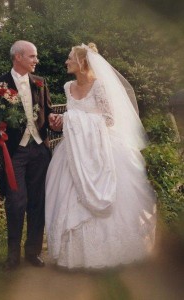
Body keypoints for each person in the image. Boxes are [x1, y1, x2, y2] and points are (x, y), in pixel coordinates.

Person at [45, 43, 156, 269]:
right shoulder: (68, 86)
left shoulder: (99, 86)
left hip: (102, 149)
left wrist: (72, 119)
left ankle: (111, 254)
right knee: (68, 195)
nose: (66, 62)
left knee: (116, 195)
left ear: (82, 62)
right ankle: (74, 256)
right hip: (74, 151)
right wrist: (61, 121)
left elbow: (108, 119)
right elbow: (72, 116)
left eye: (70, 58)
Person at [0, 40, 61, 270]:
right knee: (16, 203)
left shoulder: (40, 82)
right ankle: (12, 256)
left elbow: (48, 112)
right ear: (18, 57)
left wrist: (54, 121)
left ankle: (33, 252)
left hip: (39, 150)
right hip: (14, 153)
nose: (36, 60)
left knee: (38, 202)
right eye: (32, 56)